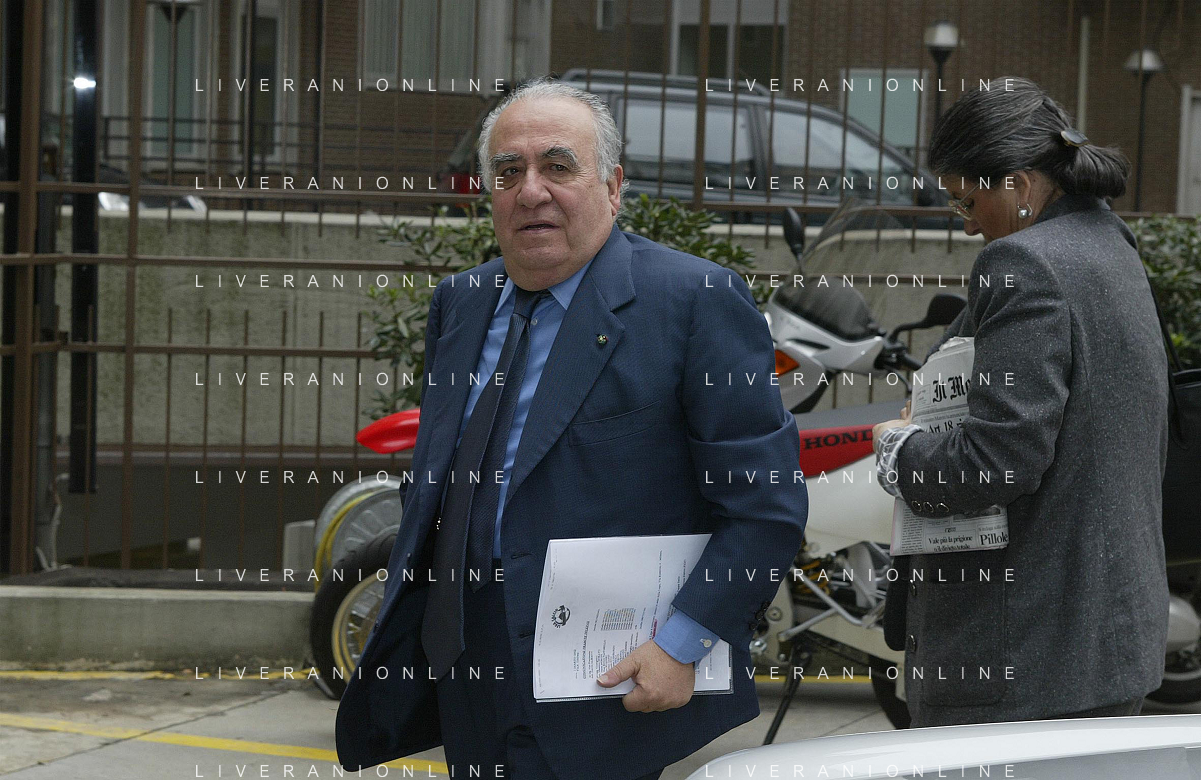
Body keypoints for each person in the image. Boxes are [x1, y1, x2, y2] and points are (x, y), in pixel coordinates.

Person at [334, 77, 808, 779]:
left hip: (606, 680)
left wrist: (682, 645)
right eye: (508, 172)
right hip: (466, 666)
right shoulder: (460, 303)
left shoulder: (692, 302)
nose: (530, 191)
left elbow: (765, 507)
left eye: (557, 166)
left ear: (612, 187)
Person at [871, 77, 1171, 727]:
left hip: (1022, 656)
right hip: (1104, 642)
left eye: (967, 199)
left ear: (1020, 183)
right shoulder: (1109, 244)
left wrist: (898, 450)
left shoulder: (1023, 263)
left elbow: (995, 461)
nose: (967, 221)